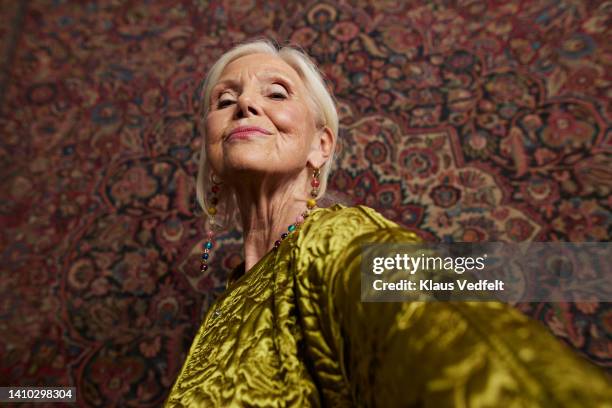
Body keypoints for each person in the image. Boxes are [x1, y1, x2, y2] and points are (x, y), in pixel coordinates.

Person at [165, 38, 611, 407]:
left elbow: (455, 334)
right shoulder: (229, 297)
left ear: (320, 146)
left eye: (276, 93)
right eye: (225, 100)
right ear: (211, 149)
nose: (244, 103)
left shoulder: (334, 241)